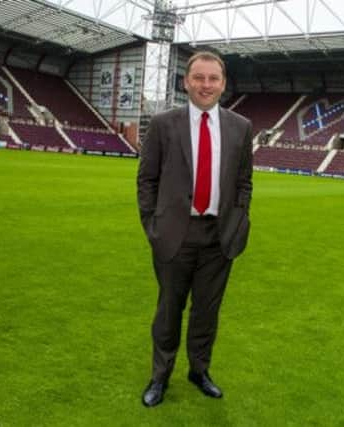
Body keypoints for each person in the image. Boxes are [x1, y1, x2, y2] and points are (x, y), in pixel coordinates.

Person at [137, 51, 253, 407]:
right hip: (174, 233)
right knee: (169, 310)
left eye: (213, 78)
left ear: (223, 84)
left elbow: (244, 182)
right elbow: (147, 179)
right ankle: (160, 376)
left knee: (207, 311)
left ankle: (199, 371)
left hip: (219, 237)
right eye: (199, 78)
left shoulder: (241, 127)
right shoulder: (163, 124)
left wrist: (238, 221)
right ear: (186, 82)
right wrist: (152, 226)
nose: (206, 85)